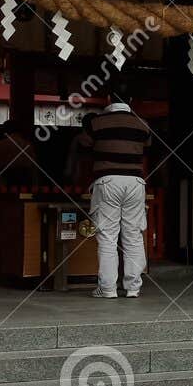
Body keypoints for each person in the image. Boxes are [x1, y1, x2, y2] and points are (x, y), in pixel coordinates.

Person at [79, 80, 151, 299]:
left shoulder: (97, 123)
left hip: (107, 181)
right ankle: (133, 287)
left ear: (108, 99)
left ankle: (108, 288)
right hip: (136, 182)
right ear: (130, 101)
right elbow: (146, 148)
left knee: (108, 236)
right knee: (133, 235)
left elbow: (84, 144)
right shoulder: (142, 124)